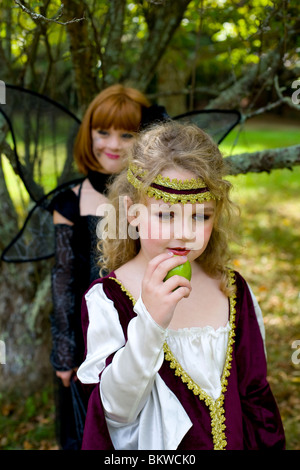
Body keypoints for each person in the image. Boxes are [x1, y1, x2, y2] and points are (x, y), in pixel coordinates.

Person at [77, 121, 285, 450]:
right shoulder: (109, 299)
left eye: (200, 216)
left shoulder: (231, 289)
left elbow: (255, 394)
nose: (184, 232)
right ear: (132, 213)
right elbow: (115, 412)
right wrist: (150, 323)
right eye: (166, 215)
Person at [50, 84, 167, 450]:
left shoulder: (153, 198)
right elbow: (63, 283)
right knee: (90, 432)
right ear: (89, 134)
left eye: (127, 134)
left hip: (145, 328)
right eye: (103, 132)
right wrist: (65, 354)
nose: (113, 144)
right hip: (90, 342)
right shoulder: (70, 203)